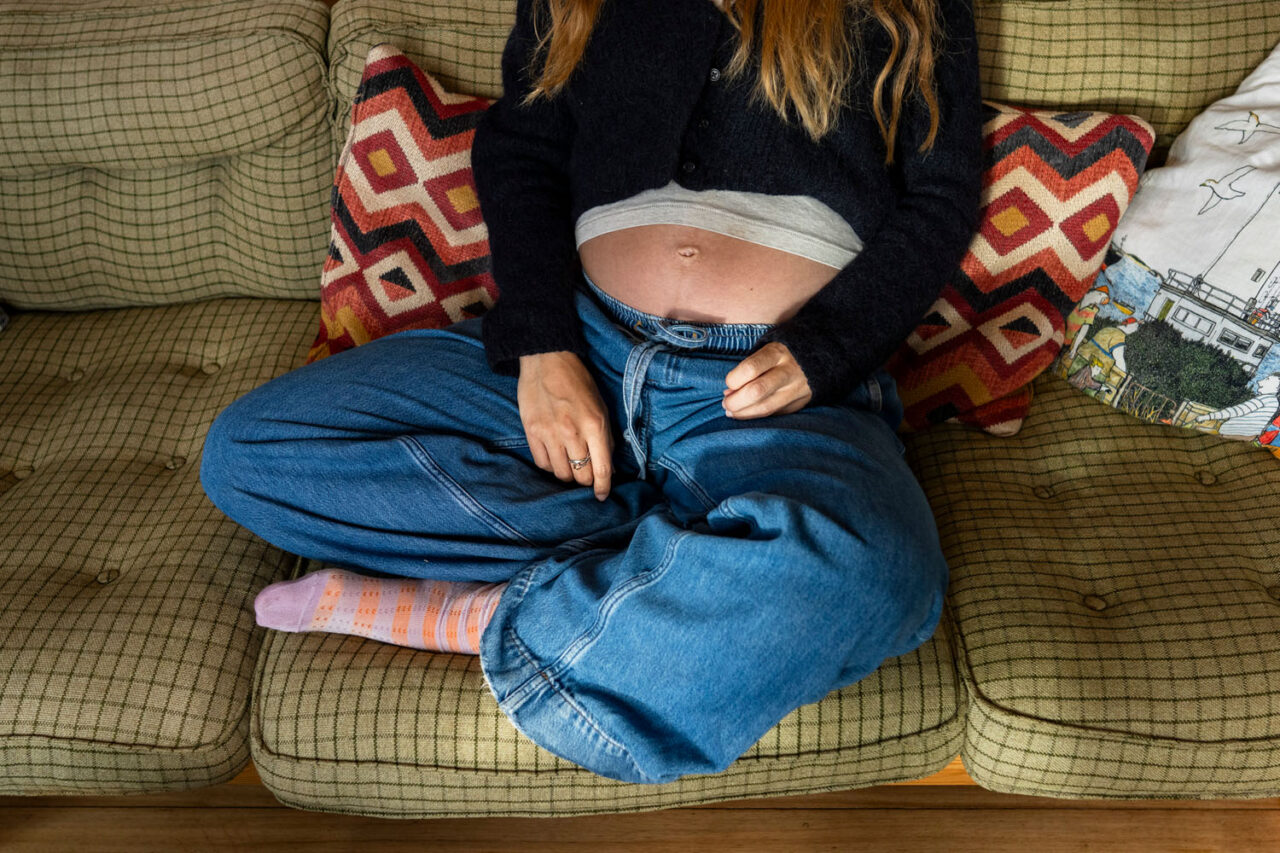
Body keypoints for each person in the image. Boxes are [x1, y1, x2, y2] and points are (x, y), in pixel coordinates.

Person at [200, 0, 984, 784]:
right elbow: (521, 153)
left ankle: (473, 614)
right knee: (250, 453)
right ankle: (684, 547)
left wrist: (829, 349)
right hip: (583, 346)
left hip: (773, 389)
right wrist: (543, 345)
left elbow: (943, 193)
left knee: (883, 572)